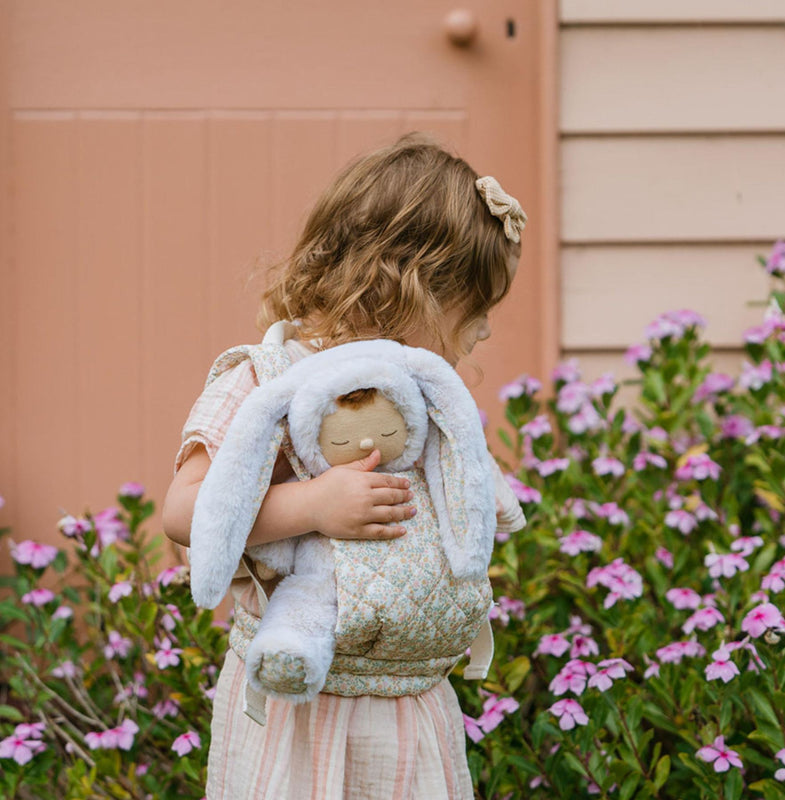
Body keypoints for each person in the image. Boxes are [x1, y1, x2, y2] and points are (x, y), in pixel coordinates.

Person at [162, 133, 526, 800]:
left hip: (409, 712)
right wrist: (313, 505)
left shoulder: (421, 396)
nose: (485, 331)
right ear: (413, 284)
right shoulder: (270, 378)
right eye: (475, 309)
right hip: (299, 708)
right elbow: (184, 511)